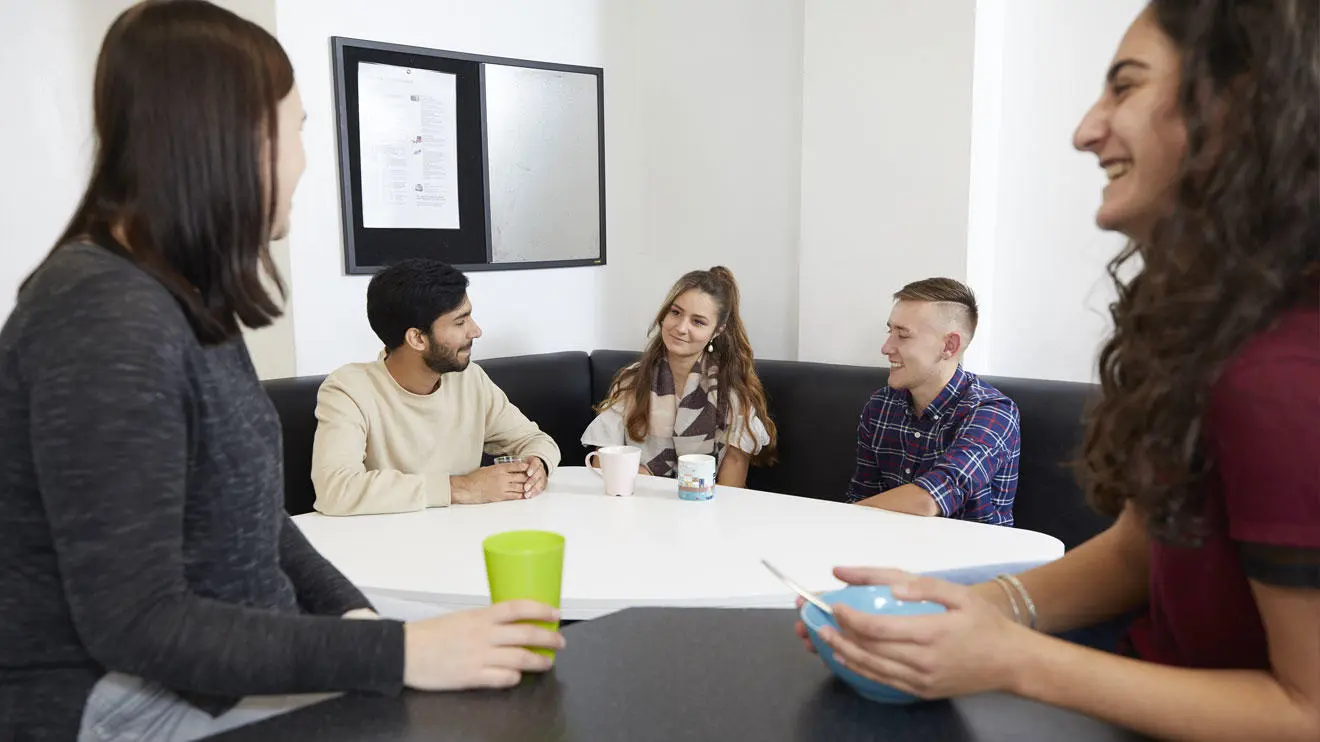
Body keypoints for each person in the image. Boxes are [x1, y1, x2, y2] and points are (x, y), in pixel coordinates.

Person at [0, 3, 562, 740]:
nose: (303, 159)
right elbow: (137, 623)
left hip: (227, 672)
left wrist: (360, 621)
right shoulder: (103, 314)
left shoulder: (185, 300)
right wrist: (393, 650)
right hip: (119, 700)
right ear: (230, 140)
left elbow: (265, 529)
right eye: (296, 129)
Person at [796, 2, 1320, 739]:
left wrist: (1010, 659)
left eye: (1126, 87)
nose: (1085, 130)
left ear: (1241, 106)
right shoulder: (1204, 338)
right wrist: (983, 606)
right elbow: (1143, 549)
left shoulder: (1282, 379)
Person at [310, 258, 562, 516]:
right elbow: (335, 489)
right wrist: (459, 488)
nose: (476, 331)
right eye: (460, 322)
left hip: (465, 536)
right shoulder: (348, 390)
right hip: (388, 544)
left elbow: (535, 440)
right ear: (417, 338)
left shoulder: (470, 378)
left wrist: (537, 465)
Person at [846, 278, 1020, 524]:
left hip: (972, 556)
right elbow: (862, 494)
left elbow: (931, 498)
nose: (886, 348)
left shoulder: (992, 413)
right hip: (889, 546)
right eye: (890, 332)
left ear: (949, 345)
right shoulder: (880, 406)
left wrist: (838, 520)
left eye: (903, 335)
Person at [582, 267, 776, 488]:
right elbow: (601, 463)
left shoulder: (731, 392)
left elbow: (732, 490)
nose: (681, 328)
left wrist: (650, 480)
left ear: (717, 330)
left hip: (706, 510)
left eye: (698, 322)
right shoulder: (632, 381)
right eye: (675, 312)